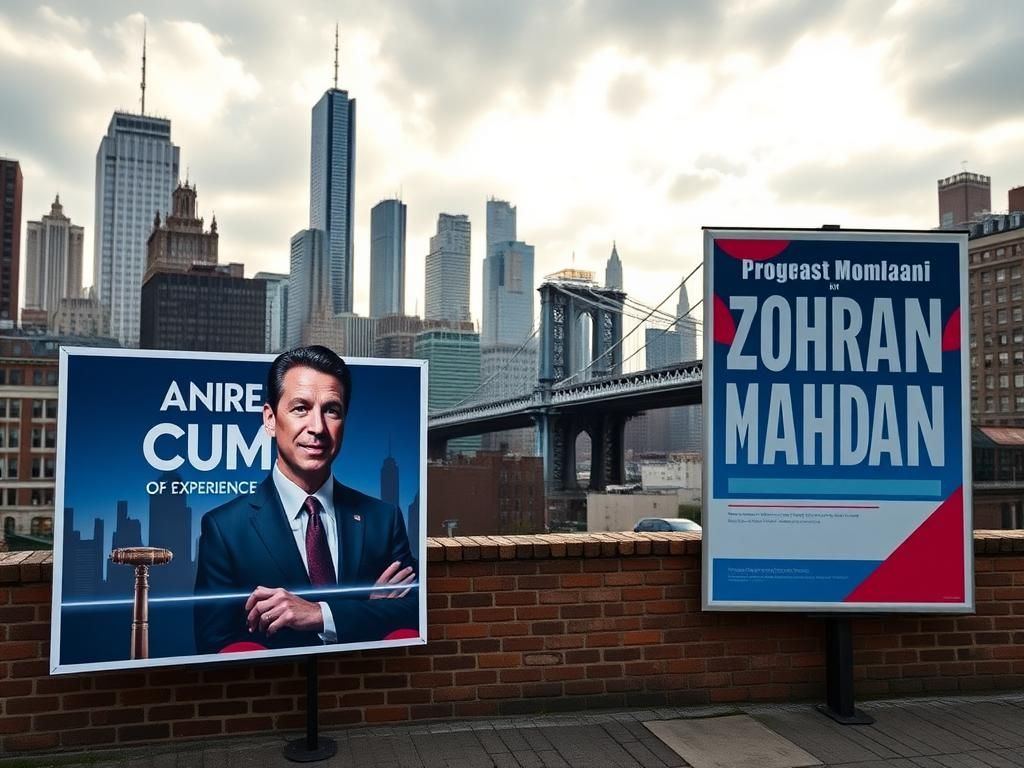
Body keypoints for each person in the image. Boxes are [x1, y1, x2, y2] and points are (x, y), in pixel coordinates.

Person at [193, 345, 418, 654]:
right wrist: (366, 609)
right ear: (270, 419)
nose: (318, 427)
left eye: (331, 410)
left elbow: (413, 612)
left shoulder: (383, 519)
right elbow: (214, 643)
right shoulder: (225, 529)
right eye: (301, 408)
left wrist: (319, 615)